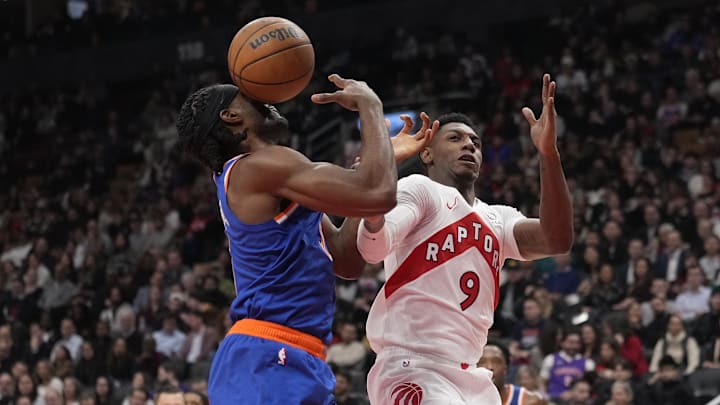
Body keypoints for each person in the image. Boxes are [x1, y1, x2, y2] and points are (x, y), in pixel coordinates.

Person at [176, 74, 434, 404]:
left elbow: (345, 258)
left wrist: (378, 164)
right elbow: (376, 195)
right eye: (252, 97)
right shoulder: (259, 167)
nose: (268, 98)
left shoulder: (268, 176)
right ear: (231, 116)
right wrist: (370, 104)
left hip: (296, 355)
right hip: (267, 357)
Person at [356, 74, 573, 404]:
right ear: (427, 154)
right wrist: (373, 204)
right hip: (415, 366)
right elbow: (373, 248)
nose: (469, 145)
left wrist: (548, 153)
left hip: (470, 375)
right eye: (455, 138)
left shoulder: (498, 218)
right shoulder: (420, 189)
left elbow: (556, 240)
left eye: (475, 142)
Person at [478, 343, 548, 405]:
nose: (489, 367)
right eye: (482, 362)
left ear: (505, 369)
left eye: (496, 362)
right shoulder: (467, 400)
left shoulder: (531, 401)